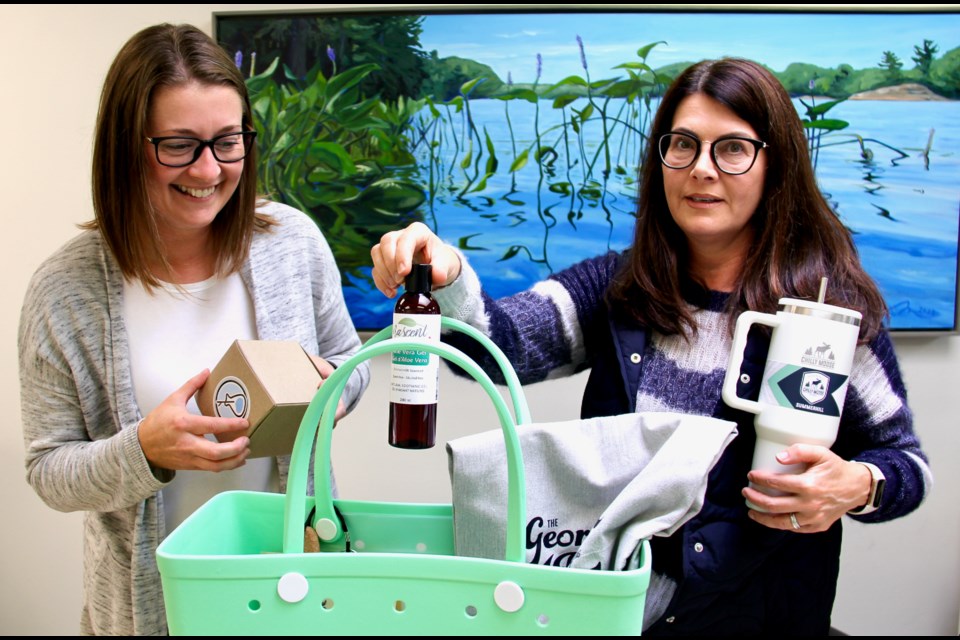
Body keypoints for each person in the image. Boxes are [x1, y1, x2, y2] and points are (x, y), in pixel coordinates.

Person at [371, 58, 930, 634]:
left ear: (775, 164)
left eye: (733, 148)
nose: (702, 170)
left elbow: (905, 463)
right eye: (683, 144)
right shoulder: (618, 289)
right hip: (612, 611)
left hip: (763, 614)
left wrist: (859, 485)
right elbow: (493, 348)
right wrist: (448, 272)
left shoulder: (826, 319)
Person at [18, 24, 369, 636]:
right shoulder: (65, 288)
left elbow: (350, 360)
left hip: (298, 588)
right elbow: (49, 470)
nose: (208, 170)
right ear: (127, 147)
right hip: (149, 609)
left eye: (228, 142)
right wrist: (144, 451)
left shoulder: (291, 242)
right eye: (179, 145)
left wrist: (333, 388)